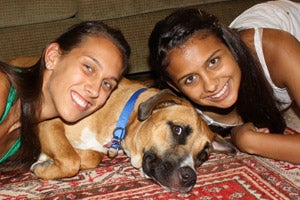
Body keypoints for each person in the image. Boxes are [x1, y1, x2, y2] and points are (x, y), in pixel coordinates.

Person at [148, 6, 300, 164]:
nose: (211, 85)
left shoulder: (275, 50)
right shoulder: (184, 111)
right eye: (190, 79)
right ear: (174, 87)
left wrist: (249, 141)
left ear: (229, 45)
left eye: (213, 61)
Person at [0, 21, 131, 169]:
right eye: (88, 67)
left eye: (107, 84)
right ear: (53, 57)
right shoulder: (2, 86)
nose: (95, 91)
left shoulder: (27, 141)